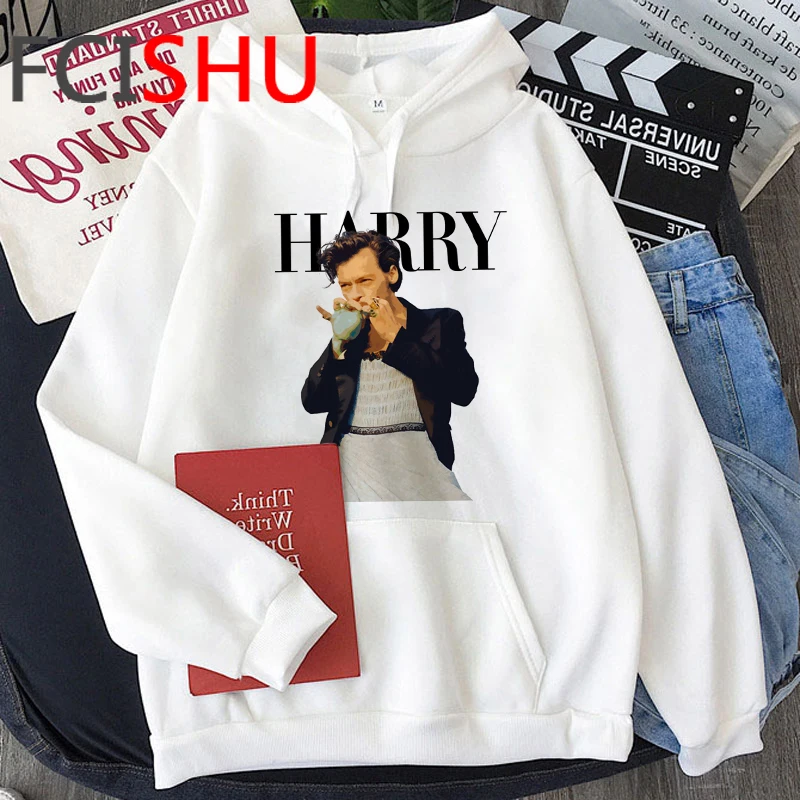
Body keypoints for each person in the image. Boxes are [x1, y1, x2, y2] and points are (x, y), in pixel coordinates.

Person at [300, 230, 479, 502]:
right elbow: (312, 402)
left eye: (365, 281)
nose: (355, 294)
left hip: (421, 474)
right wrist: (338, 344)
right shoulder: (350, 335)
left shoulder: (439, 324)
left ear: (391, 274)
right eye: (346, 285)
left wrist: (396, 337)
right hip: (352, 477)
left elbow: (463, 391)